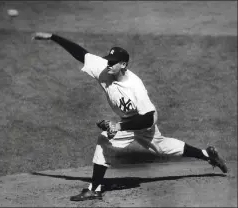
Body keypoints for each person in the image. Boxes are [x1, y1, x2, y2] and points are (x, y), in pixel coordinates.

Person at [32, 32, 228, 201]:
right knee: (162, 146)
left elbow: (149, 118)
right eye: (107, 60)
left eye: (112, 62)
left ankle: (94, 190)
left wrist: (119, 127)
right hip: (130, 121)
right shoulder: (103, 69)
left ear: (123, 64)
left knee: (104, 140)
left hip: (141, 120)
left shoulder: (135, 87)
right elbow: (81, 54)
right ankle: (206, 154)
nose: (108, 64)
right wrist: (53, 37)